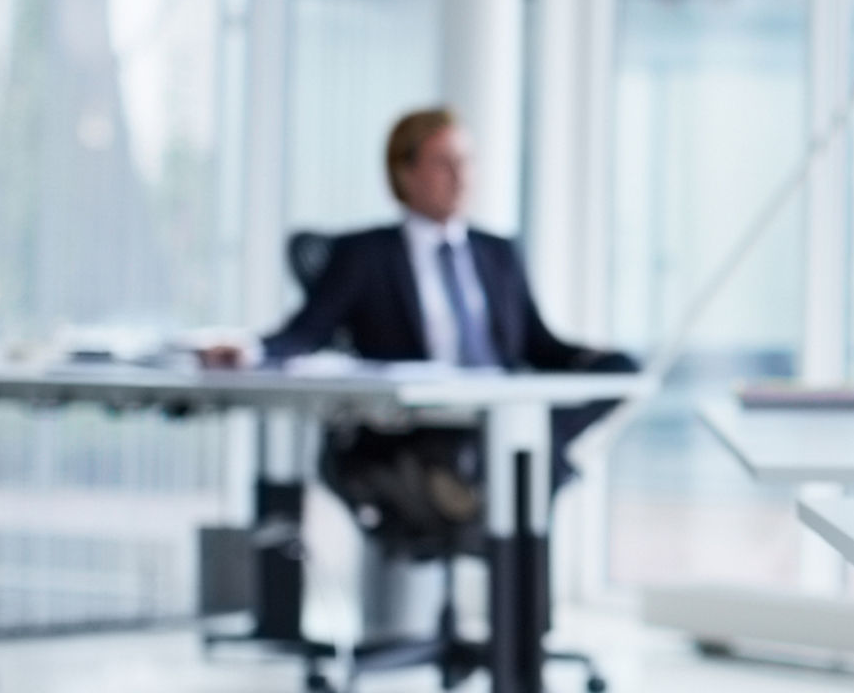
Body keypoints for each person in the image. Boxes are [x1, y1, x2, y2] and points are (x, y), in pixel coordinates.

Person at [206, 108, 633, 493]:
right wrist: (253, 351)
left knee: (620, 372)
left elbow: (537, 345)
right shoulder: (366, 254)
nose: (460, 177)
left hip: (497, 410)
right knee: (522, 461)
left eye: (465, 162)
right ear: (405, 174)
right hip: (420, 426)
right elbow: (307, 331)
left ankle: (520, 453)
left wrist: (597, 358)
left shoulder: (497, 253)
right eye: (443, 164)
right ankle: (522, 460)